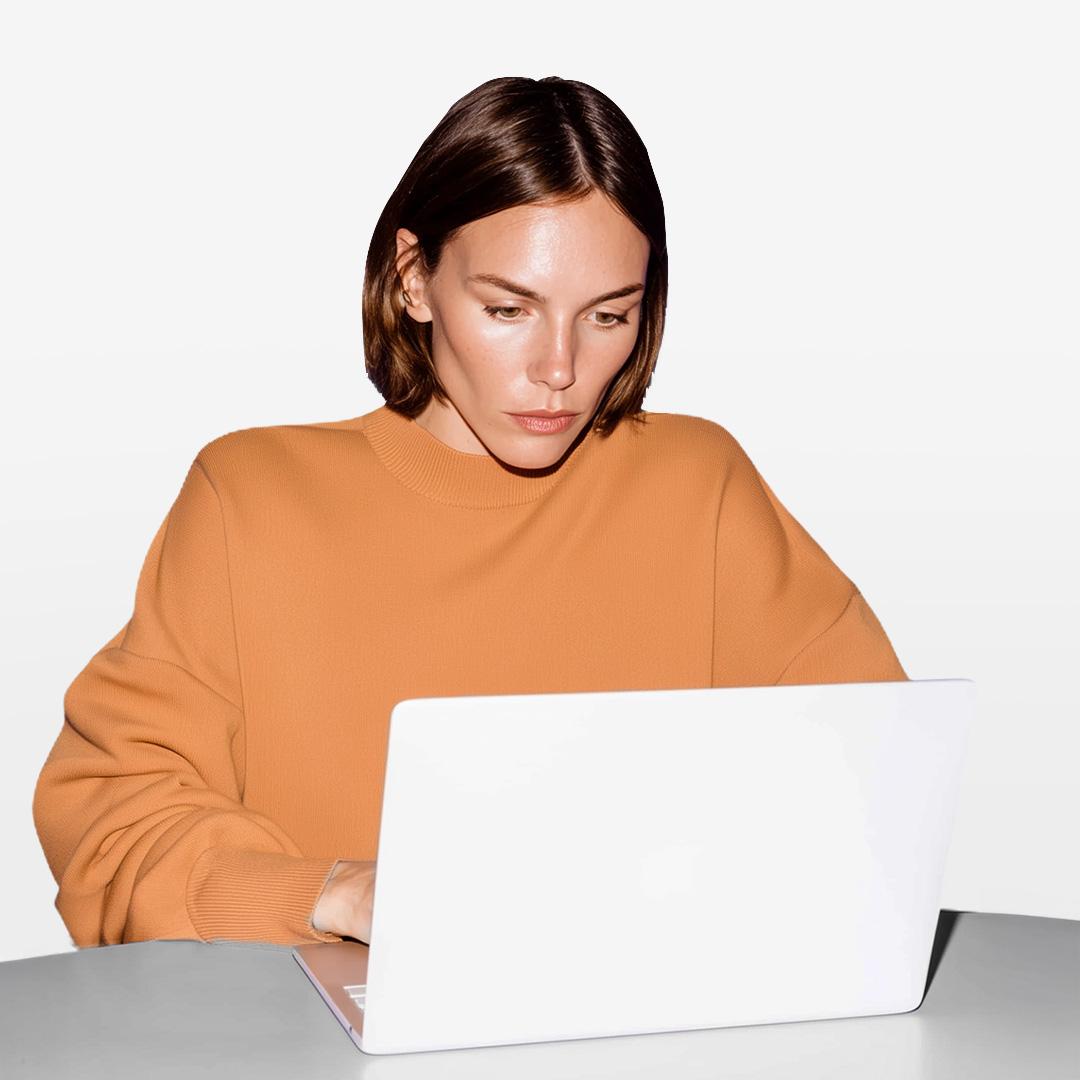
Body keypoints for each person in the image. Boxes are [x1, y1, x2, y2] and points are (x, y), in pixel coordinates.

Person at [32, 75, 908, 950]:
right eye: (507, 309)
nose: (558, 366)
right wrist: (335, 894)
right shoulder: (253, 497)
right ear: (414, 279)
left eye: (609, 316)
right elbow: (113, 826)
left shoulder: (698, 484)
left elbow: (879, 774)